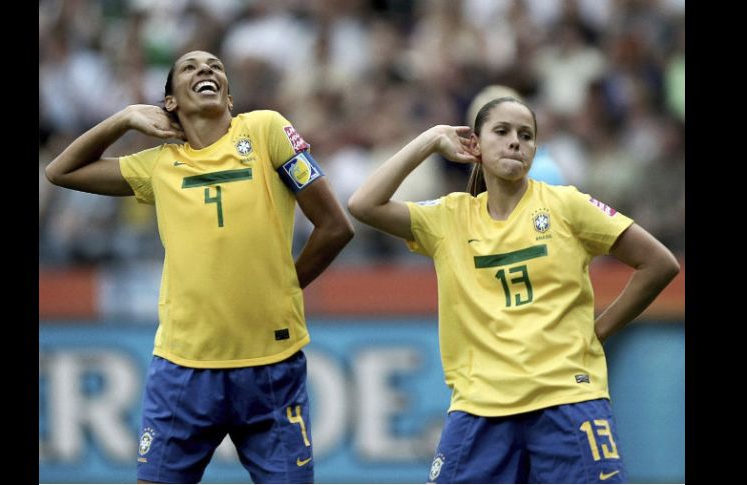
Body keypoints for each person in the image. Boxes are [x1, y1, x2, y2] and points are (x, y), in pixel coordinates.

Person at [45, 50, 354, 484]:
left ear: (229, 97)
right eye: (189, 68)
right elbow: (60, 172)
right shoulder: (159, 165)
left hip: (271, 367)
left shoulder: (266, 130)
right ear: (169, 103)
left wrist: (286, 286)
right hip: (183, 369)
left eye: (215, 67)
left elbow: (335, 227)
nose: (206, 70)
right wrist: (124, 118)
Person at [347, 96, 679, 484]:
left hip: (567, 400)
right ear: (475, 144)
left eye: (526, 135)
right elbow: (362, 204)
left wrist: (600, 330)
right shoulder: (448, 218)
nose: (515, 142)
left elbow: (659, 263)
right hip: (480, 409)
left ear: (536, 149)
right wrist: (431, 139)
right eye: (501, 132)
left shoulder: (566, 205)